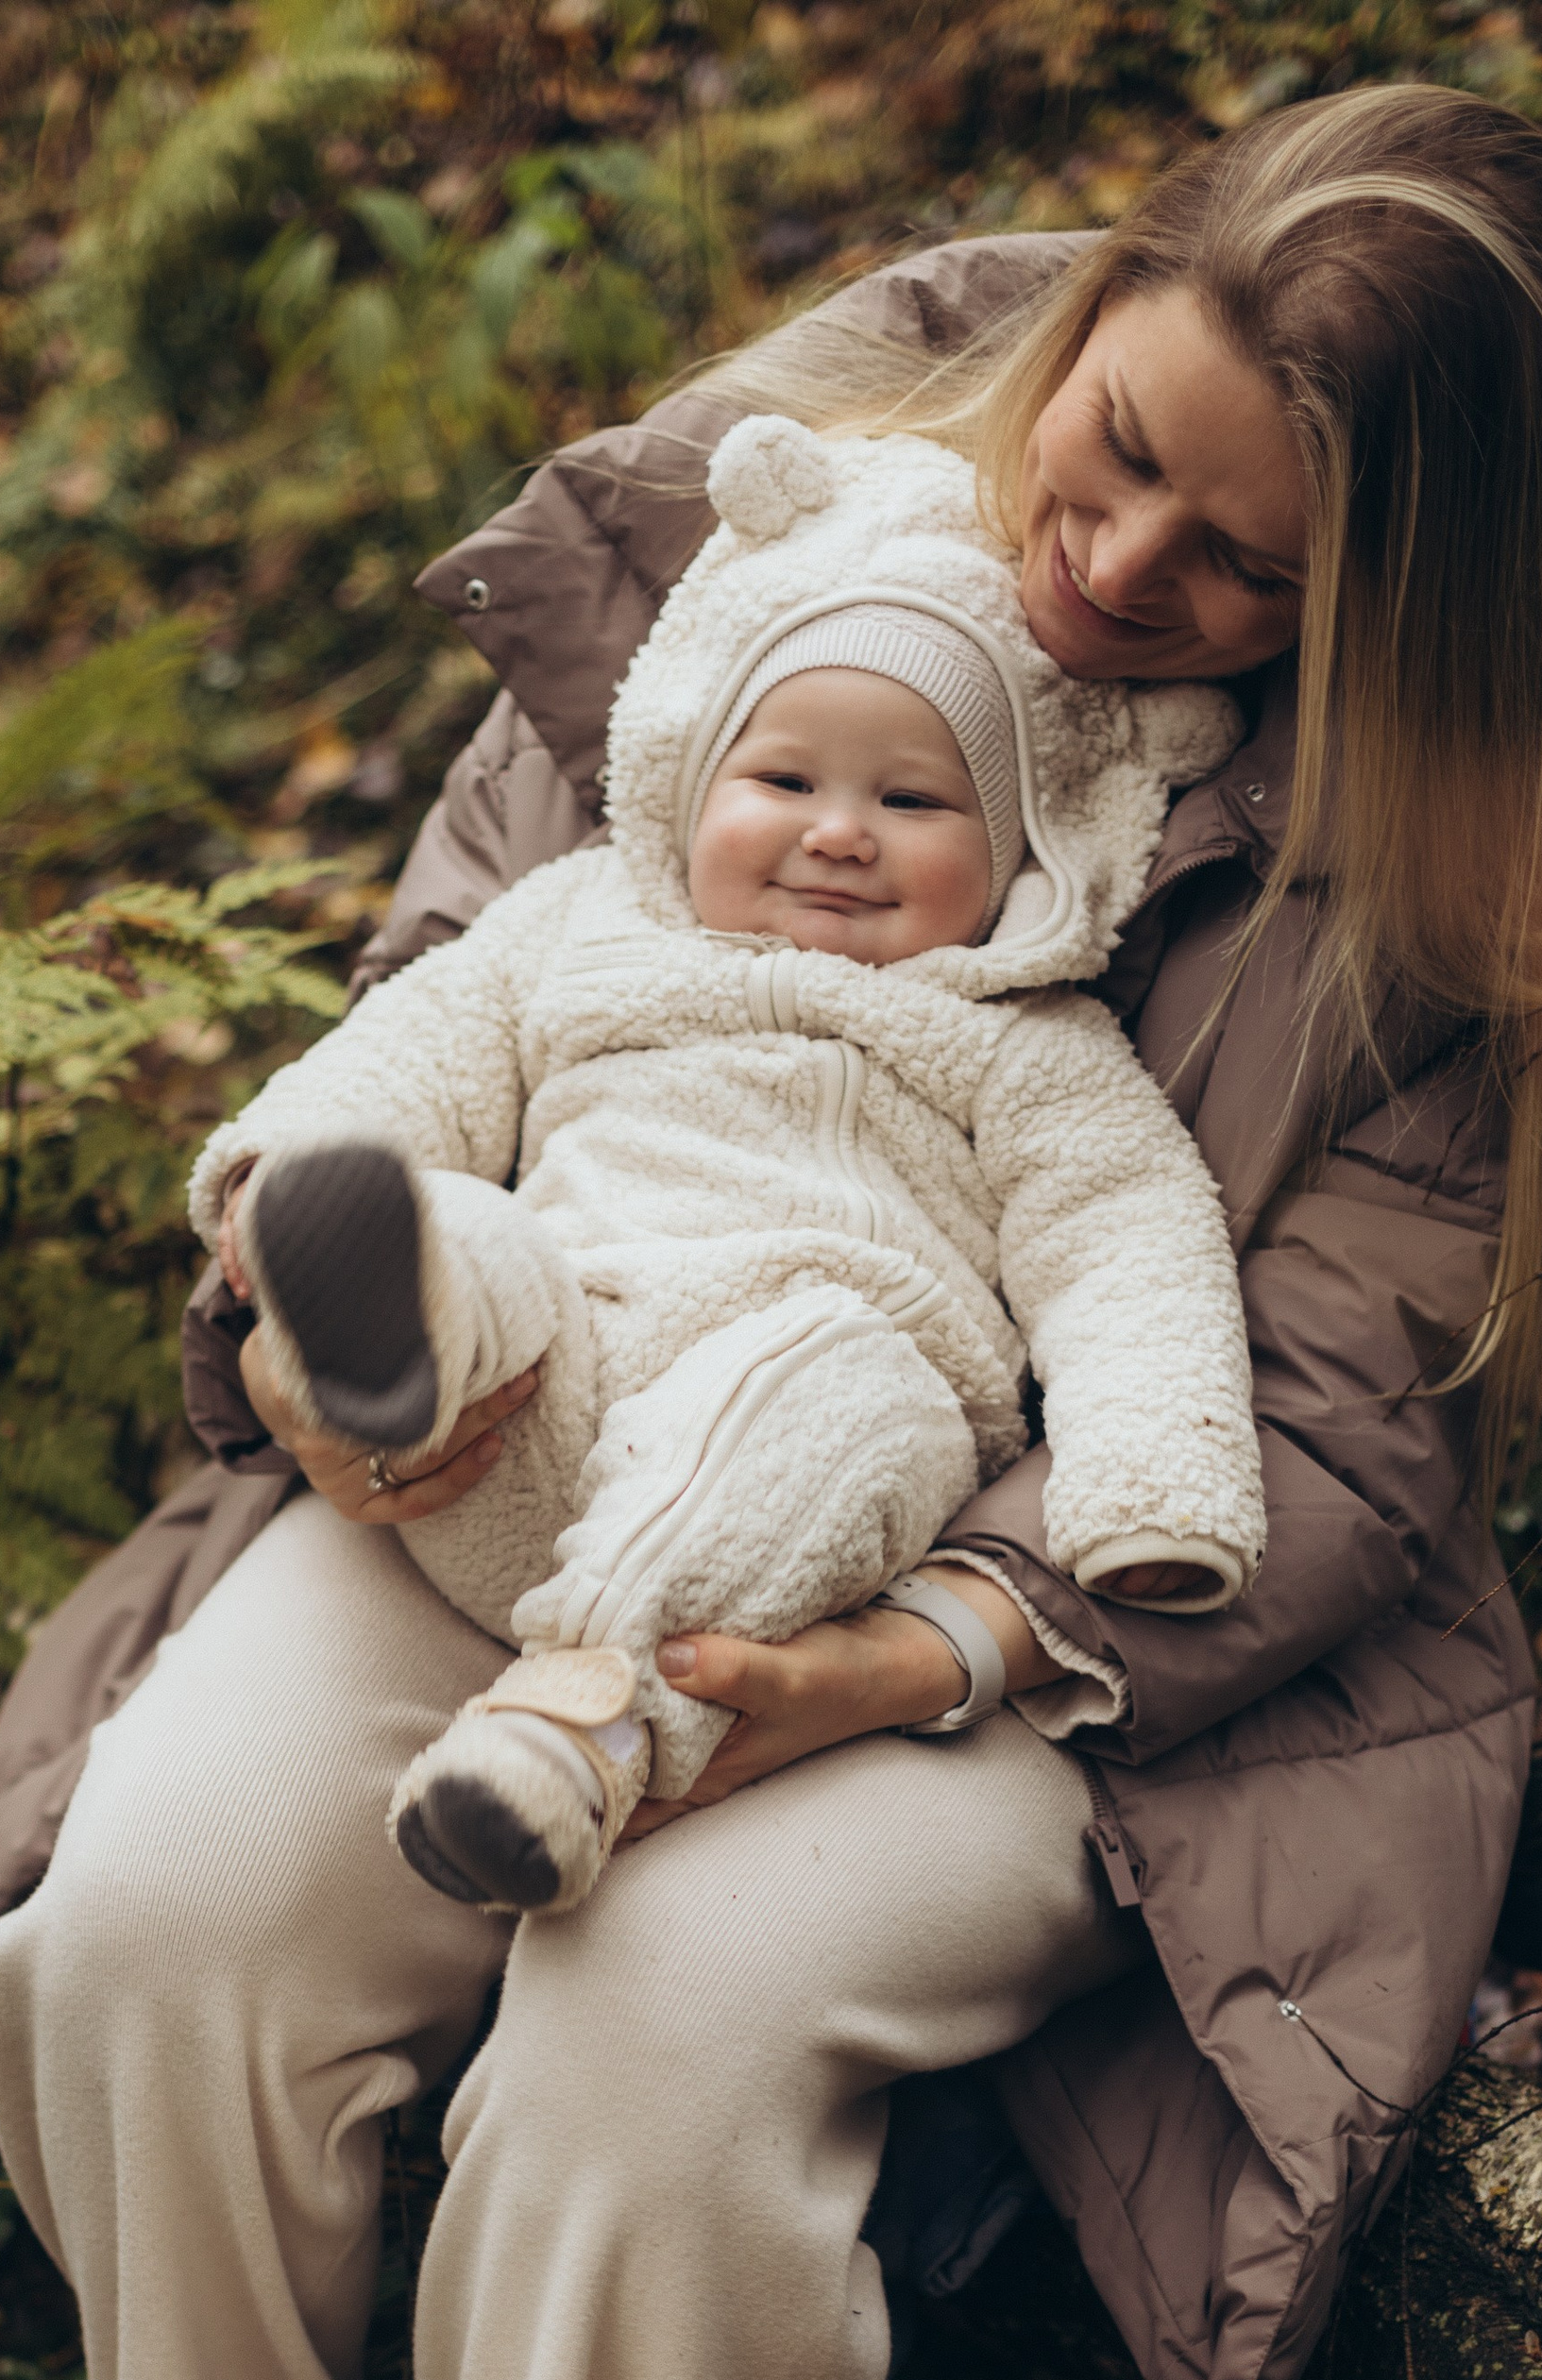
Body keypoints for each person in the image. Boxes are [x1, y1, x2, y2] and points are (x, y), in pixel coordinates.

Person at [0, 85, 1542, 2380]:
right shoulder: (743, 548)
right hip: (540, 1420)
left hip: (1076, 1618)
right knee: (154, 1934)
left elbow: (1338, 1444)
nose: (1122, 576)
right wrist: (335, 1365)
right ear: (1087, 330)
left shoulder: (1452, 891)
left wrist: (888, 1657)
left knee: (648, 2040)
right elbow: (440, 1007)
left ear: (1405, 611)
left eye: (1248, 568)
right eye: (1116, 460)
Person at [195, 414, 1262, 1918]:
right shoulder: (579, 922)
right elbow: (416, 1047)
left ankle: (559, 1742)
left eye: (913, 802)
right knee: (461, 1233)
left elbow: (1129, 1238)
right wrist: (278, 1191)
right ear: (689, 779)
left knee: (846, 1388)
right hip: (507, 1420)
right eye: (784, 781)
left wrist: (1154, 1489)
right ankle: (383, 1331)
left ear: (1019, 856)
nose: (839, 835)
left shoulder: (1026, 1038)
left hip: (787, 1503)